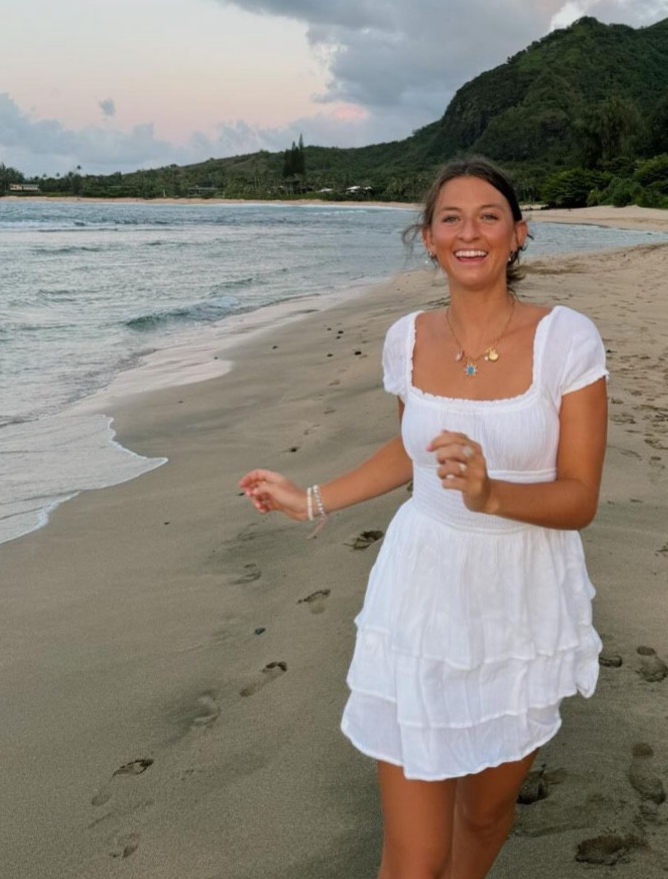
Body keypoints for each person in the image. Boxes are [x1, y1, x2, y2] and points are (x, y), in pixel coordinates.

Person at [239, 156, 608, 879]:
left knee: (484, 814)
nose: (469, 231)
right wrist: (309, 497)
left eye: (488, 216)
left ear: (518, 235)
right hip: (422, 587)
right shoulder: (407, 339)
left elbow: (579, 497)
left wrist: (490, 492)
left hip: (520, 594)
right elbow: (407, 450)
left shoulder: (568, 339)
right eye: (450, 218)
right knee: (412, 857)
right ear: (429, 238)